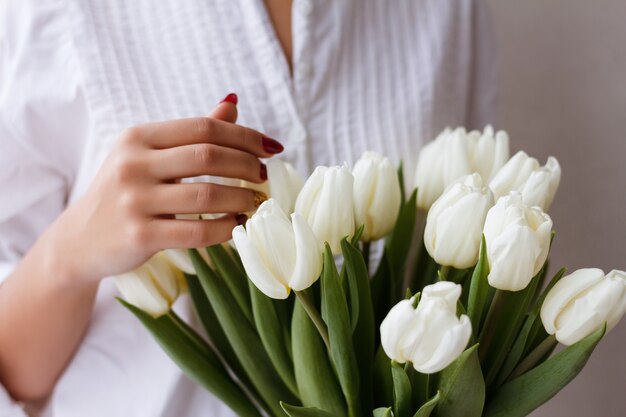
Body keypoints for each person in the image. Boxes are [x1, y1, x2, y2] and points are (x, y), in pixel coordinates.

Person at [0, 0, 497, 415]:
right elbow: (13, 376)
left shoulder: (444, 9)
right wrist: (69, 255)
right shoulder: (44, 12)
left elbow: (470, 237)